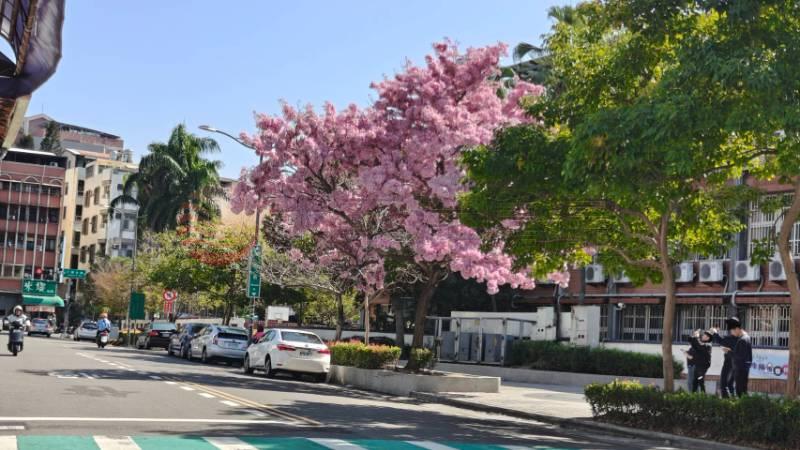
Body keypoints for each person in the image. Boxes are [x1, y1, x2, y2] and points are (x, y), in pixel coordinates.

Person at [725, 317, 752, 397]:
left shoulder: (743, 340)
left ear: (737, 329)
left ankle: (742, 407)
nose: (731, 333)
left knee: (740, 391)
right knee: (741, 390)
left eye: (732, 331)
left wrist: (729, 351)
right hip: (742, 368)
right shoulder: (746, 337)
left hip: (741, 369)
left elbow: (740, 356)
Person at [710, 325, 738, 398]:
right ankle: (732, 400)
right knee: (730, 384)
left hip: (730, 363)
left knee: (724, 382)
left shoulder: (734, 339)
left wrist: (715, 332)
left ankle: (726, 400)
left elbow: (720, 341)